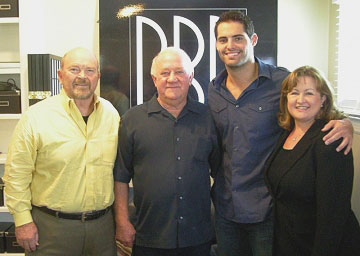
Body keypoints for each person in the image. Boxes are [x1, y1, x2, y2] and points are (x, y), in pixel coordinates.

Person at [207, 11, 354, 256]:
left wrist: (344, 122)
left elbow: (312, 99)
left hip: (267, 211)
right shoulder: (214, 89)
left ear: (252, 40)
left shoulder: (281, 82)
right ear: (216, 44)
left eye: (238, 38)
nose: (230, 45)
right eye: (223, 40)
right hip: (225, 209)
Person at [3, 47, 120, 255]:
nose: (82, 76)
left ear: (98, 77)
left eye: (90, 70)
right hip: (51, 229)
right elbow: (16, 174)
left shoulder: (111, 115)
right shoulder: (36, 117)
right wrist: (22, 221)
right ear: (60, 75)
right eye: (74, 69)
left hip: (102, 229)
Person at [113, 47, 221, 256]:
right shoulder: (132, 120)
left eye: (179, 72)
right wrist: (122, 221)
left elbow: (220, 172)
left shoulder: (208, 118)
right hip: (149, 235)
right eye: (165, 73)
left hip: (197, 236)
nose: (172, 78)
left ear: (190, 78)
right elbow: (121, 176)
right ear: (154, 79)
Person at [264, 66, 360, 255]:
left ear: (323, 99)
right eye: (294, 93)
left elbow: (333, 216)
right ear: (286, 98)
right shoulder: (286, 133)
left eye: (309, 93)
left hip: (321, 245)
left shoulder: (331, 139)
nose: (300, 100)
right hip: (290, 241)